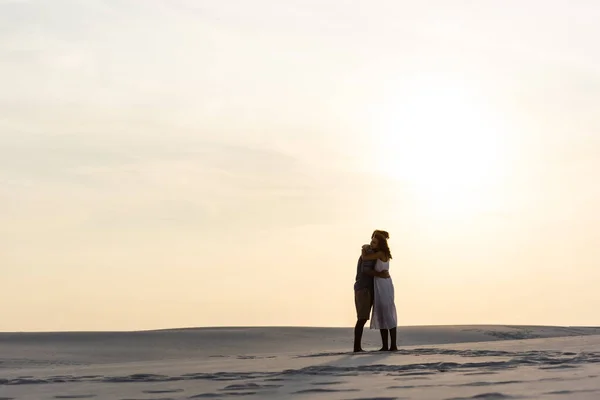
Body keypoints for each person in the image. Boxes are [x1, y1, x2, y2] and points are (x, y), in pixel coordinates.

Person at [353, 230, 391, 352]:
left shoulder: (374, 252)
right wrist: (380, 274)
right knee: (362, 318)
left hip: (371, 287)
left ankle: (385, 346)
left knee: (379, 314)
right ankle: (357, 347)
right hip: (364, 288)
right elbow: (366, 270)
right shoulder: (368, 251)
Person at [361, 232, 398, 351]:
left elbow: (364, 258)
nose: (372, 244)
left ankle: (392, 345)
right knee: (382, 312)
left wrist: (363, 248)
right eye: (372, 241)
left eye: (374, 242)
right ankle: (386, 345)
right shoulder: (383, 253)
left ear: (380, 244)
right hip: (382, 284)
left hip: (383, 284)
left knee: (387, 312)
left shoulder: (381, 253)